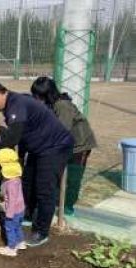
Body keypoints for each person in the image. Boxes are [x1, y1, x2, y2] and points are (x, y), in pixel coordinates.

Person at [0, 81, 74, 247]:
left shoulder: (16, 104)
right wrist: (20, 158)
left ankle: (41, 232)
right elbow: (21, 135)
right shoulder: (12, 105)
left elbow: (13, 138)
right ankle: (25, 216)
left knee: (45, 189)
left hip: (55, 147)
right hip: (38, 148)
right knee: (27, 183)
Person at [31, 76, 97, 215]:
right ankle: (56, 202)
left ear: (47, 95)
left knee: (73, 175)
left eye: (38, 96)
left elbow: (61, 130)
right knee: (57, 174)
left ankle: (68, 205)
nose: (36, 99)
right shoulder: (50, 105)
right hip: (64, 143)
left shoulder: (62, 105)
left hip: (79, 145)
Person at [0, 148, 27, 257]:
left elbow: (12, 201)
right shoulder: (15, 179)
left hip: (13, 211)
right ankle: (21, 242)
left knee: (10, 227)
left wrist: (9, 214)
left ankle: (11, 248)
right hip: (21, 209)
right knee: (18, 227)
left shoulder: (10, 184)